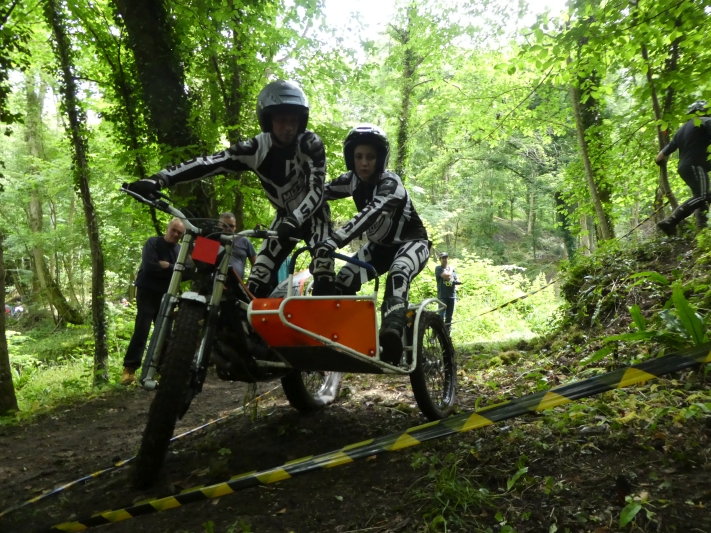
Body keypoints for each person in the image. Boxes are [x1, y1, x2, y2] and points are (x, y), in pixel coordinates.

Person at [125, 80, 334, 297]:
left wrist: (294, 220)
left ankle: (329, 312)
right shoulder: (256, 149)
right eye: (282, 120)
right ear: (268, 119)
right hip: (284, 217)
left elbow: (317, 190)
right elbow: (210, 162)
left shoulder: (310, 144)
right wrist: (159, 179)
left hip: (316, 216)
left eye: (293, 120)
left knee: (324, 267)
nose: (288, 127)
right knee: (257, 279)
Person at [322, 124, 429, 364]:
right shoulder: (351, 180)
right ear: (351, 158)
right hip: (379, 248)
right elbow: (317, 193)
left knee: (399, 271)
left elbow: (370, 213)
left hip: (412, 243)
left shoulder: (391, 183)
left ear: (380, 159)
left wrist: (335, 239)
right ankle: (351, 337)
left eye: (370, 157)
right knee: (343, 280)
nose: (364, 163)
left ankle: (392, 334)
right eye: (358, 156)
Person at [121, 218, 185, 385]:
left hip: (167, 294)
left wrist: (167, 266)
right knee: (142, 329)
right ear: (167, 228)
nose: (175, 234)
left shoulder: (181, 250)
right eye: (173, 230)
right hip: (147, 291)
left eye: (179, 232)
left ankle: (160, 370)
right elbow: (149, 267)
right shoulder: (153, 243)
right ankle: (129, 370)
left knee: (165, 332)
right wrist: (174, 269)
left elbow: (187, 273)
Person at [655, 100, 711, 235]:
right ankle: (670, 221)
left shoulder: (681, 130)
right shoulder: (706, 121)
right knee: (703, 196)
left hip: (684, 168)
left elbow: (661, 155)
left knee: (700, 196)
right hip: (696, 165)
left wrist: (658, 161)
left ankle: (702, 229)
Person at [218, 212, 257, 281]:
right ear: (219, 226)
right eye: (224, 226)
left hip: (237, 285)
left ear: (235, 227)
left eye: (231, 226)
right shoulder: (212, 240)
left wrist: (249, 284)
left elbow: (256, 265)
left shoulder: (244, 240)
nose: (228, 229)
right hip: (214, 284)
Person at [435, 252, 460, 330]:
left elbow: (455, 279)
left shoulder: (453, 270)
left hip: (452, 296)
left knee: (449, 317)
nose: (445, 260)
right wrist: (451, 268)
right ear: (440, 259)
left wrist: (456, 283)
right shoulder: (439, 268)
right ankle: (437, 333)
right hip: (442, 296)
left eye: (446, 258)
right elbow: (448, 277)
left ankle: (447, 333)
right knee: (440, 316)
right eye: (443, 258)